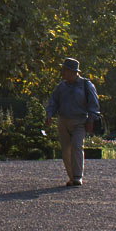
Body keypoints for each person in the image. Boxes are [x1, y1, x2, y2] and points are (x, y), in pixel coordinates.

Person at [45, 57, 100, 187]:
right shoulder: (61, 86)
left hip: (79, 121)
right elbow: (53, 101)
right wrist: (49, 114)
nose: (63, 73)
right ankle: (71, 177)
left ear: (73, 71)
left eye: (65, 70)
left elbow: (94, 104)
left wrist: (91, 120)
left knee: (77, 146)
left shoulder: (86, 85)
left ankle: (77, 176)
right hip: (63, 120)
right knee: (65, 150)